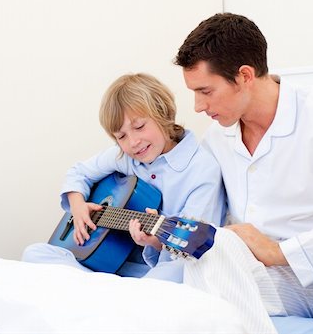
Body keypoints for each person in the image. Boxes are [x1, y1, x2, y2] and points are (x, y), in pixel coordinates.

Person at [174, 13, 313, 334]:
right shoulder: (216, 139)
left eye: (205, 91)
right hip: (272, 287)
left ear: (244, 76)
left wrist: (281, 252)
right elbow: (205, 214)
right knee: (213, 245)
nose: (198, 106)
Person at [22, 72, 226, 282]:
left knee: (173, 275)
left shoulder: (201, 169)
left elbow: (194, 247)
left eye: (139, 127)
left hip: (157, 268)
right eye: (121, 136)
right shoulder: (124, 157)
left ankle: (108, 293)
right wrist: (77, 205)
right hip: (117, 265)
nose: (133, 142)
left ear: (162, 113)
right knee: (35, 253)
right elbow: (78, 172)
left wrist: (155, 242)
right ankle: (113, 293)